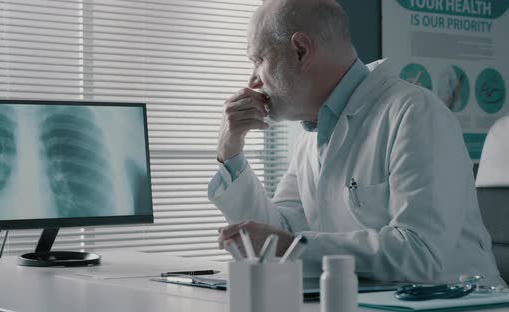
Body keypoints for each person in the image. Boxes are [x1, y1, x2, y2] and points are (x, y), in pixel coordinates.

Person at [209, 0, 504, 285]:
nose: (253, 81)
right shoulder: (310, 137)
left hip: (459, 303)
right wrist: (230, 152)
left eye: (258, 60)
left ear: (301, 50)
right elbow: (278, 236)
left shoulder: (414, 112)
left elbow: (420, 252)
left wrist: (289, 247)